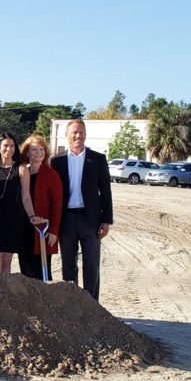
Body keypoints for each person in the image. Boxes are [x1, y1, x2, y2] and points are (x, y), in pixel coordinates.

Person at [51, 119, 113, 300]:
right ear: (67, 135)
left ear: (85, 134)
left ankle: (92, 304)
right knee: (68, 265)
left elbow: (106, 191)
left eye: (81, 132)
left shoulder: (97, 159)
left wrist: (106, 220)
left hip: (90, 220)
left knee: (91, 265)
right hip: (67, 219)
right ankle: (72, 303)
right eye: (74, 132)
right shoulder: (57, 161)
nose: (78, 136)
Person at [19, 135, 63, 280]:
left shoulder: (51, 174)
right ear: (27, 152)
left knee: (42, 269)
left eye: (41, 149)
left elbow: (57, 203)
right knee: (26, 268)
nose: (38, 153)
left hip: (42, 228)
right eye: (34, 149)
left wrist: (53, 230)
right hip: (25, 227)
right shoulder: (22, 172)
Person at [0, 133, 30, 274]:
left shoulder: (21, 169)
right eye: (5, 145)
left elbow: (26, 197)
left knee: (6, 259)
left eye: (12, 146)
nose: (9, 149)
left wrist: (32, 216)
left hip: (12, 219)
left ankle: (5, 286)